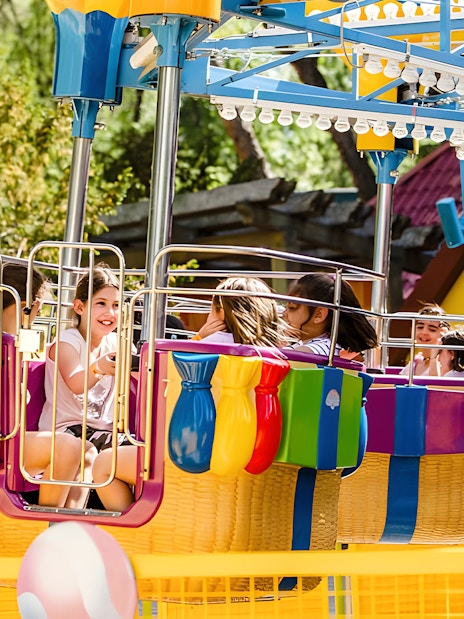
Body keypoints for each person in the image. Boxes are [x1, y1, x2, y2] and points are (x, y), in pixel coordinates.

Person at [92, 276, 283, 511]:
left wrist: (198, 338)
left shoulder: (202, 347)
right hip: (251, 455)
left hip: (185, 451)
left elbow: (162, 385)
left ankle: (131, 524)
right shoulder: (273, 354)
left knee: (103, 464)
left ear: (220, 313)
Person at [39, 263, 127, 506]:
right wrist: (98, 367)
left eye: (116, 305)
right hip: (67, 428)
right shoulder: (68, 341)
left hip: (99, 428)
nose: (110, 312)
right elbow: (76, 382)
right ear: (80, 306)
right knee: (123, 450)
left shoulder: (116, 343)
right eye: (101, 304)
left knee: (139, 446)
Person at [1, 263, 82, 508]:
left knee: (86, 450)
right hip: (7, 438)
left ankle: (66, 525)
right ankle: (46, 524)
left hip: (15, 437)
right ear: (30, 305)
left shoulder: (26, 346)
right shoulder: (11, 345)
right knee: (66, 446)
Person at [283, 272, 378, 357]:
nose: (284, 314)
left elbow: (289, 357)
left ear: (318, 314)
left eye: (292, 308)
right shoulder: (312, 344)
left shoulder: (321, 348)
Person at [193, 276, 283, 346]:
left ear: (221, 313)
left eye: (211, 310)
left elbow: (181, 365)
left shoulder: (210, 344)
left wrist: (198, 338)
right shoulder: (274, 347)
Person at [400, 303, 450, 376]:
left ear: (443, 333)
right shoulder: (416, 360)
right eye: (420, 327)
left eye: (432, 329)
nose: (424, 332)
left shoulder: (448, 361)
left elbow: (435, 385)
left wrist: (434, 358)